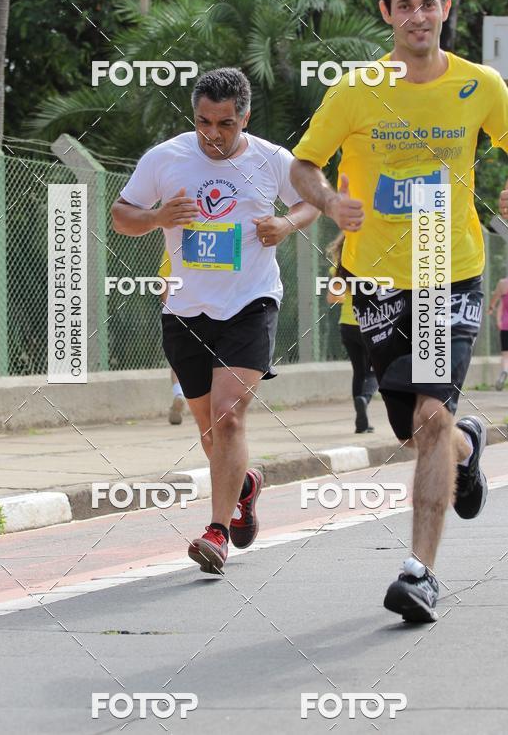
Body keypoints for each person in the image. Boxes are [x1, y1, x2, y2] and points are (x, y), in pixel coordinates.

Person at [291, 0, 508, 622]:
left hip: (447, 262)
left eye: (428, 3)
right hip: (373, 275)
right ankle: (468, 445)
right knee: (415, 429)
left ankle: (419, 573)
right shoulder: (355, 89)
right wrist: (329, 202)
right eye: (404, 5)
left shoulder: (479, 83)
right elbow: (304, 165)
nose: (417, 16)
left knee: (430, 418)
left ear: (445, 8)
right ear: (387, 14)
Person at [112, 67, 319, 574]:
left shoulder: (272, 160)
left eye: (224, 124)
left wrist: (284, 224)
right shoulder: (166, 158)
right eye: (203, 121)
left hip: (250, 303)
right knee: (209, 433)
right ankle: (244, 485)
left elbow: (312, 200)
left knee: (230, 417)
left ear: (244, 117)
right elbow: (121, 214)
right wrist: (158, 218)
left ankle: (216, 531)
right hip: (185, 309)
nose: (212, 134)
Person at [326, 233, 378, 432]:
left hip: (347, 325)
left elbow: (333, 298)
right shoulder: (374, 266)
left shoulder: (339, 269)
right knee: (376, 370)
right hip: (369, 323)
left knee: (359, 371)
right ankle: (364, 398)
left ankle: (360, 422)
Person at [158, 248, 187, 424]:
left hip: (179, 308)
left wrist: (168, 306)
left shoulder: (174, 246)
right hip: (209, 309)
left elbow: (163, 279)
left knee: (177, 360)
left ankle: (178, 393)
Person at [488, 275, 508, 390]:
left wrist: (491, 307)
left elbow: (497, 299)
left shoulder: (503, 283)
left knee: (506, 355)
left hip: (507, 326)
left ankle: (505, 371)